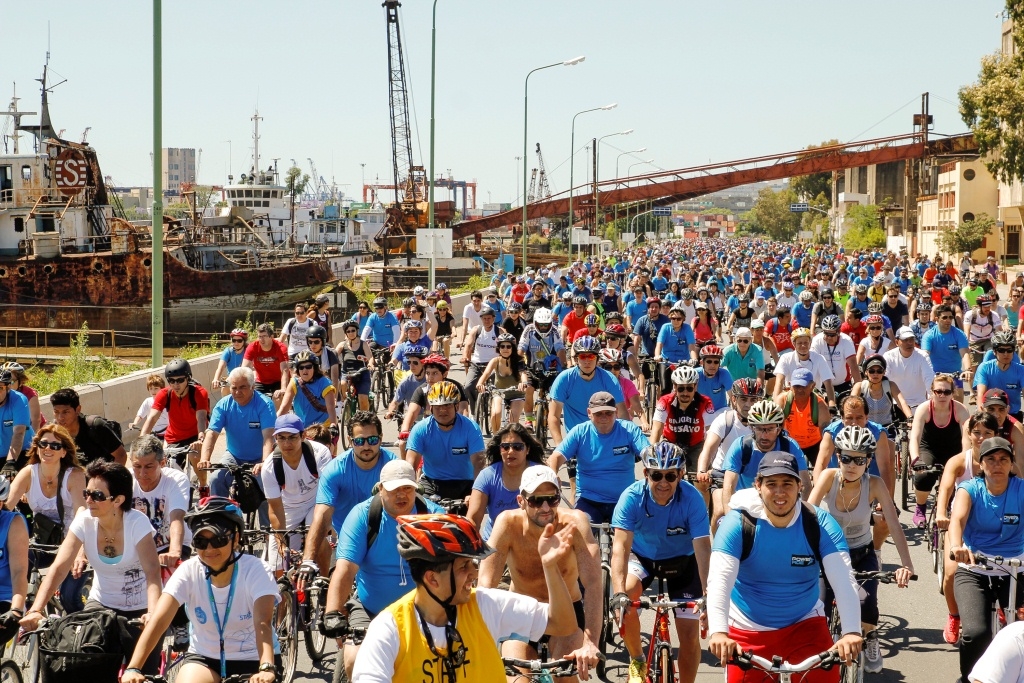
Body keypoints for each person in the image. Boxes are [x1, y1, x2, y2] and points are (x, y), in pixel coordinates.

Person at [349, 512, 580, 683]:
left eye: (473, 564)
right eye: (463, 567)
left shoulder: (484, 605)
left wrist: (550, 567)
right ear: (432, 579)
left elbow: (562, 623)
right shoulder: (389, 629)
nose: (474, 573)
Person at [706, 452, 863, 682]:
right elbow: (720, 580)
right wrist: (719, 632)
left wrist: (851, 632)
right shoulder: (737, 524)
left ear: (800, 486)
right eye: (772, 484)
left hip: (804, 623)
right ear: (758, 485)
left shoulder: (819, 523)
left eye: (787, 484)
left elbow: (844, 580)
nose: (780, 492)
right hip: (747, 628)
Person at [21, 461, 163, 675]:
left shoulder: (137, 523)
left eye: (97, 496)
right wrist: (35, 610)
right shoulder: (84, 520)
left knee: (143, 674)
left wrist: (152, 613)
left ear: (118, 500)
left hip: (141, 609)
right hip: (101, 604)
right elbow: (60, 567)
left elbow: (153, 573)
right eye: (87, 493)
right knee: (83, 667)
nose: (88, 500)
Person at [120, 497, 281, 683]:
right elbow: (159, 620)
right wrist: (133, 667)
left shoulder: (257, 569)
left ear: (236, 538)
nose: (210, 549)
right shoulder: (189, 570)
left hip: (254, 659)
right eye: (201, 542)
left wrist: (266, 667)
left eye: (218, 539)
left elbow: (263, 623)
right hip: (204, 659)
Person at [322, 460, 447, 682]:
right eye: (394, 489)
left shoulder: (434, 516)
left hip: (424, 610)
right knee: (354, 658)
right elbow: (345, 570)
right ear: (380, 489)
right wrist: (333, 612)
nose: (402, 495)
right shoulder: (362, 516)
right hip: (371, 608)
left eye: (407, 488)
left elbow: (453, 568)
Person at [479, 465, 603, 682]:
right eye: (536, 500)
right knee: (516, 680)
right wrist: (480, 638)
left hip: (567, 611)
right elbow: (486, 583)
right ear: (521, 501)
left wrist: (591, 642)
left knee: (565, 677)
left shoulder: (575, 523)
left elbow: (593, 583)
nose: (546, 507)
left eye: (552, 499)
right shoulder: (508, 524)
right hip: (522, 610)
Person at [807, 425, 915, 674]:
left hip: (861, 553)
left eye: (859, 459)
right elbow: (806, 516)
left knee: (867, 607)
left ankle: (871, 636)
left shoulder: (874, 484)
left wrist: (907, 564)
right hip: (828, 554)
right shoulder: (828, 477)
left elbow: (895, 526)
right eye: (846, 458)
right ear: (838, 458)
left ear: (868, 461)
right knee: (819, 610)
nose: (851, 465)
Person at [610, 443, 711, 683]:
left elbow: (703, 549)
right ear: (645, 474)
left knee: (688, 637)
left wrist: (708, 594)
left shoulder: (692, 499)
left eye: (670, 475)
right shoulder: (632, 497)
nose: (663, 482)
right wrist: (618, 593)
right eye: (656, 475)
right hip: (644, 559)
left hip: (684, 563)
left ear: (681, 475)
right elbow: (621, 548)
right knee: (627, 600)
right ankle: (637, 660)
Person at [948, 437, 1024, 681]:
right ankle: (969, 677)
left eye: (1003, 459)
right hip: (975, 569)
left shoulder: (1021, 489)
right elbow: (957, 520)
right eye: (990, 459)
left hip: (1018, 568)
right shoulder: (969, 489)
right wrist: (956, 546)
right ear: (981, 465)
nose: (997, 465)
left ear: (1012, 464)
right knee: (976, 633)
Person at [299, 411, 396, 589]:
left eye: (372, 440)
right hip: (348, 539)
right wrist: (307, 560)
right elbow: (321, 516)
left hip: (384, 539)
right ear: (350, 442)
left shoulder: (393, 467)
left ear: (381, 439)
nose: (366, 446)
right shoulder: (336, 470)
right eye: (359, 441)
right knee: (340, 591)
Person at [5, 425, 88, 613]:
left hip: (73, 543)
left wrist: (81, 550)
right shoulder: (28, 473)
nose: (48, 449)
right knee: (14, 586)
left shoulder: (74, 475)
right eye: (43, 444)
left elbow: (81, 511)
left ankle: (82, 635)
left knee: (70, 598)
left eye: (55, 446)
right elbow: (7, 508)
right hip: (43, 542)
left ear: (64, 451)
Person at [936, 412, 999, 645]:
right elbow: (944, 490)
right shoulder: (959, 461)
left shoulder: (1002, 461)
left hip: (994, 524)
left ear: (996, 435)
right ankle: (954, 615)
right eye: (977, 432)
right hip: (961, 525)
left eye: (988, 433)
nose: (981, 438)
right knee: (951, 573)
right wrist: (941, 513)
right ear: (969, 434)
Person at [549, 392, 649, 524]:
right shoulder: (580, 432)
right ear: (589, 413)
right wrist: (552, 475)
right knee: (580, 533)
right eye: (598, 413)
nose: (604, 417)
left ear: (616, 412)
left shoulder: (629, 430)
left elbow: (648, 453)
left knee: (638, 537)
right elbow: (555, 457)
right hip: (588, 500)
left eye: (608, 413)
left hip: (625, 499)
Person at [262, 414, 333, 574]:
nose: (286, 443)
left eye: (292, 437)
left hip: (317, 502)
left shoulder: (319, 453)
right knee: (277, 572)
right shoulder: (270, 466)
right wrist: (281, 543)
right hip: (289, 509)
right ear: (276, 439)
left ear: (303, 436)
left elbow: (328, 492)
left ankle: (324, 581)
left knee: (316, 537)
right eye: (281, 438)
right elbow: (275, 508)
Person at [696, 378, 765, 531]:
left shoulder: (766, 424)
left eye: (754, 399)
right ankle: (719, 549)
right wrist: (701, 471)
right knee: (721, 513)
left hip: (755, 476)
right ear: (734, 399)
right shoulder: (725, 420)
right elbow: (708, 449)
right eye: (743, 399)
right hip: (722, 473)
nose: (748, 404)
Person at [197, 367, 276, 497]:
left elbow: (268, 437)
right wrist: (205, 459)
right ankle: (221, 516)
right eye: (234, 388)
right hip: (234, 456)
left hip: (260, 457)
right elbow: (211, 434)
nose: (237, 392)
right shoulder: (223, 405)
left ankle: (266, 518)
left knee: (265, 486)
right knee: (216, 479)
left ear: (252, 387)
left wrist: (264, 462)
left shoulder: (265, 405)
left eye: (243, 387)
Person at [720, 400, 811, 512]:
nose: (764, 435)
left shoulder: (789, 446)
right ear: (752, 428)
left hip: (776, 498)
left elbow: (805, 484)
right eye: (759, 428)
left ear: (778, 430)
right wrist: (728, 517)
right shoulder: (741, 446)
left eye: (770, 429)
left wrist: (801, 514)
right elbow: (728, 487)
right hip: (745, 500)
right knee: (719, 513)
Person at [405, 381, 486, 500]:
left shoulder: (471, 428)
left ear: (456, 406)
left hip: (465, 483)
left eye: (447, 405)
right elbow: (410, 466)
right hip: (431, 483)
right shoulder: (420, 429)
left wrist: (476, 493)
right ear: (431, 408)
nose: (443, 410)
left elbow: (479, 464)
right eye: (438, 406)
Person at [909, 374, 970, 528]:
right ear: (932, 392)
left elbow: (967, 439)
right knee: (923, 477)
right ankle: (920, 508)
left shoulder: (960, 409)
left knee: (955, 482)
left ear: (952, 393)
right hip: (929, 448)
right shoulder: (924, 409)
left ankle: (950, 508)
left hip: (952, 450)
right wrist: (916, 459)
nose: (942, 395)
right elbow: (914, 438)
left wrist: (966, 458)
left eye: (946, 392)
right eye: (938, 392)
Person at [468, 425, 545, 539]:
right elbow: (473, 521)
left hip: (531, 542)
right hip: (494, 543)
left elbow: (549, 517)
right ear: (500, 450)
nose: (511, 451)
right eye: (505, 447)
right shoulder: (487, 476)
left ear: (527, 449)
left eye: (517, 447)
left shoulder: (541, 475)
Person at [548, 337, 627, 447]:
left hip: (605, 438)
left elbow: (622, 413)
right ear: (576, 359)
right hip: (576, 440)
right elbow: (554, 416)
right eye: (582, 356)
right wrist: (559, 446)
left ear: (597, 359)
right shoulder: (564, 379)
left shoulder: (609, 379)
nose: (587, 360)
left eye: (591, 356)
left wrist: (627, 441)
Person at [141, 358, 210, 471]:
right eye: (171, 381)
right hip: (175, 437)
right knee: (168, 468)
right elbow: (152, 418)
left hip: (196, 435)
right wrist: (142, 440)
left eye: (180, 380)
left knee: (195, 457)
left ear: (188, 378)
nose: (176, 384)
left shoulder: (199, 392)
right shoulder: (164, 394)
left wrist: (201, 437)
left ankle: (203, 485)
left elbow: (201, 417)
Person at [49, 387, 126, 466]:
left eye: (65, 412)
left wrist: (111, 477)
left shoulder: (96, 426)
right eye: (56, 412)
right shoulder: (54, 431)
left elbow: (121, 455)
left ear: (78, 409)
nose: (60, 417)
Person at [775, 368, 830, 467]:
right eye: (796, 386)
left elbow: (825, 432)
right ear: (791, 386)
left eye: (803, 386)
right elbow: (775, 427)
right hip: (791, 443)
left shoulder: (820, 405)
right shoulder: (782, 401)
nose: (800, 389)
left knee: (822, 469)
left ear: (812, 386)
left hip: (814, 444)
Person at [475, 332, 528, 434]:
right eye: (502, 346)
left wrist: (524, 383)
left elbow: (523, 374)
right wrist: (480, 383)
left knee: (513, 420)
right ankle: (496, 438)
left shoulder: (519, 361)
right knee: (495, 414)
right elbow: (486, 374)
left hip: (516, 393)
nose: (505, 349)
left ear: (513, 348)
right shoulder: (495, 361)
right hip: (499, 393)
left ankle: (511, 440)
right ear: (498, 348)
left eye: (508, 346)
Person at [922, 304, 971, 403]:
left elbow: (965, 354)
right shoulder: (929, 335)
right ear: (937, 318)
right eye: (944, 317)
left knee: (959, 404)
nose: (948, 320)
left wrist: (967, 370)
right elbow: (925, 355)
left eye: (950, 317)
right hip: (935, 376)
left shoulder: (959, 334)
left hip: (955, 376)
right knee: (932, 404)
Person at [277, 350, 337, 429]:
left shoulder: (325, 383)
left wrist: (333, 426)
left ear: (315, 368)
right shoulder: (294, 383)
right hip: (302, 428)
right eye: (301, 368)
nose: (305, 370)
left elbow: (331, 408)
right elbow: (284, 408)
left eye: (308, 367)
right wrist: (272, 425)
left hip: (323, 428)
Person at [974, 330, 1024, 421]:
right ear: (994, 351)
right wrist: (981, 416)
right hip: (989, 415)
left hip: (1012, 415)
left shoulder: (1021, 370)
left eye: (1009, 350)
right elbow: (981, 394)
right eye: (1001, 350)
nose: (1006, 354)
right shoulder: (984, 368)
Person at [850, 355, 912, 428]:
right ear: (866, 372)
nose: (875, 374)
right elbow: (850, 404)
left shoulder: (890, 385)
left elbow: (902, 402)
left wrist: (910, 417)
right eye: (871, 371)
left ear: (884, 373)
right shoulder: (859, 386)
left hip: (887, 428)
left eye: (879, 371)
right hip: (865, 429)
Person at [883, 326, 936, 411]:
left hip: (919, 405)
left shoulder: (923, 356)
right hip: (895, 405)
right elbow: (885, 378)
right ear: (897, 342)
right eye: (905, 340)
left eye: (911, 339)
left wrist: (932, 395)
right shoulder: (888, 356)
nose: (909, 343)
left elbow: (929, 377)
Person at [810, 315, 861, 397]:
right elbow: (812, 364)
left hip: (843, 383)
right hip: (823, 384)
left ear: (839, 332)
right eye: (826, 334)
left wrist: (857, 390)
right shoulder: (817, 340)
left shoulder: (846, 340)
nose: (829, 337)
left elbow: (853, 366)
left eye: (832, 335)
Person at [463, 305, 500, 413]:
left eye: (489, 318)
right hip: (477, 363)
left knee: (496, 389)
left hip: (493, 365)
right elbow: (468, 345)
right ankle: (475, 412)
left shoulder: (499, 331)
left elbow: (507, 346)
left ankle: (494, 409)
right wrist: (465, 356)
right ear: (481, 319)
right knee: (468, 387)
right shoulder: (476, 330)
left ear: (493, 318)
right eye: (484, 318)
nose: (487, 320)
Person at [243, 323, 290, 404]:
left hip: (278, 381)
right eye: (260, 336)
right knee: (250, 398)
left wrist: (283, 388)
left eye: (264, 336)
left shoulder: (280, 347)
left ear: (271, 337)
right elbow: (244, 368)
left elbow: (285, 369)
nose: (261, 339)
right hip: (261, 381)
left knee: (278, 398)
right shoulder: (253, 347)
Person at [0, 369, 33, 473]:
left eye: (0, 388)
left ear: (8, 387)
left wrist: (10, 462)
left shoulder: (19, 400)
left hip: (22, 452)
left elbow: (19, 432)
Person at [337, 319, 373, 413]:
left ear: (357, 331)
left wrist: (370, 364)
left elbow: (370, 357)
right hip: (347, 373)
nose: (351, 333)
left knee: (362, 399)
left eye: (353, 330)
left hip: (362, 373)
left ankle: (365, 418)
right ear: (346, 333)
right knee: (342, 384)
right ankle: (346, 406)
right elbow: (333, 355)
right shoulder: (342, 344)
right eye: (348, 331)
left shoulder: (363, 344)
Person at [212, 331, 249, 397]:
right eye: (234, 340)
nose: (236, 343)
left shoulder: (248, 350)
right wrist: (216, 379)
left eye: (239, 341)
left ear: (244, 341)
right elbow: (220, 367)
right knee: (224, 387)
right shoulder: (228, 351)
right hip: (231, 378)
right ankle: (227, 406)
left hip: (246, 378)